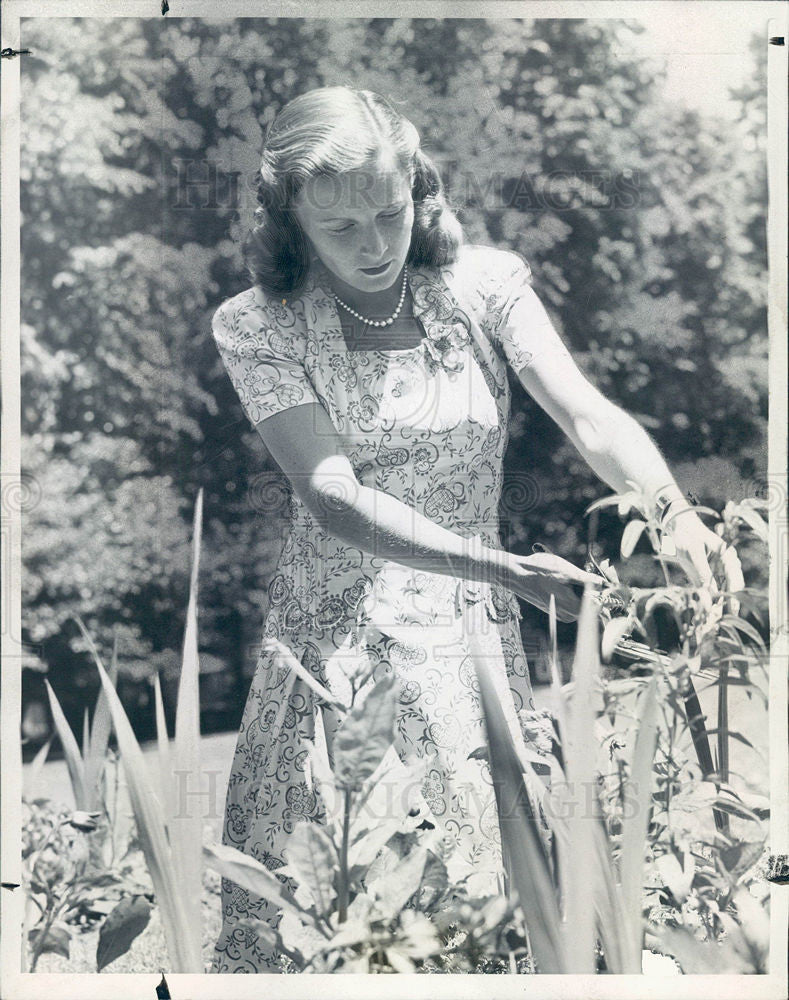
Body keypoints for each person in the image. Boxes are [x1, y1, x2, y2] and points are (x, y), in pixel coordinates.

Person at [208, 86, 738, 973]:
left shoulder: (481, 285)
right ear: (289, 220)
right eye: (342, 229)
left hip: (470, 641)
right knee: (345, 906)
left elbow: (589, 418)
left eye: (391, 211)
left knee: (490, 903)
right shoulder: (257, 325)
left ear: (419, 188)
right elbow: (332, 497)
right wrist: (502, 570)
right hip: (337, 650)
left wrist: (671, 513)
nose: (376, 245)